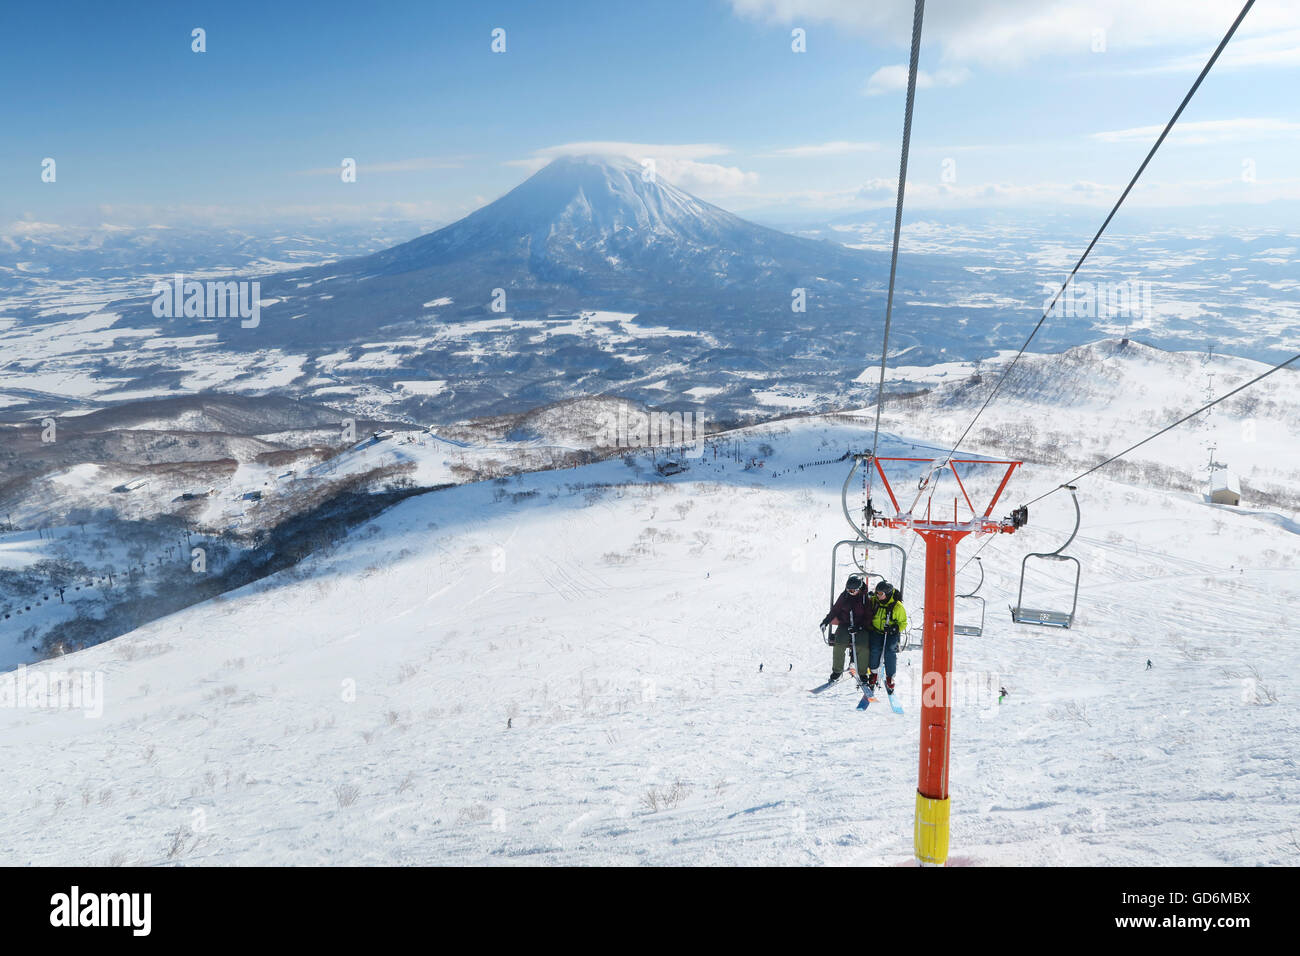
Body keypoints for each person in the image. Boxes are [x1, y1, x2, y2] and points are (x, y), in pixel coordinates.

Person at [820, 574, 870, 684]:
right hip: (845, 624)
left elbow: (869, 617)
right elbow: (835, 610)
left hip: (861, 626)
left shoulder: (864, 598)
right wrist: (826, 621)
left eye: (853, 591)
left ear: (859, 589)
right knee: (839, 643)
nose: (851, 593)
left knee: (862, 646)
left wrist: (859, 627)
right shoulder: (844, 596)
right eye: (849, 590)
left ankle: (862, 673)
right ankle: (837, 671)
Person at [863, 580, 908, 696]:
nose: (878, 596)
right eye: (877, 593)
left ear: (887, 594)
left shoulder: (897, 607)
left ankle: (890, 677)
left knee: (889, 651)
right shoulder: (875, 601)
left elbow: (903, 623)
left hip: (891, 633)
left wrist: (894, 628)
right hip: (877, 631)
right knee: (874, 649)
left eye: (880, 594)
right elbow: (866, 604)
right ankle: (873, 674)